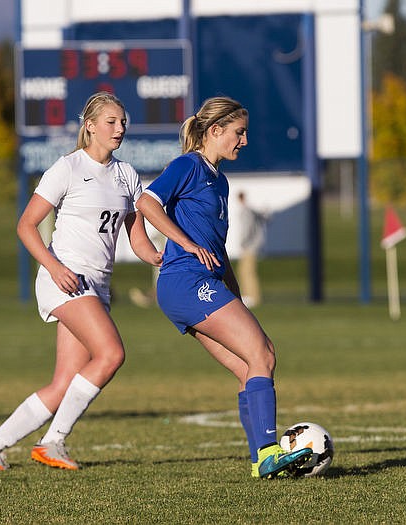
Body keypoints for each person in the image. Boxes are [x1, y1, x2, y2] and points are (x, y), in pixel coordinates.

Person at [0, 92, 162, 471]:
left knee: (62, 385)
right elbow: (25, 226)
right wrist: (54, 267)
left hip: (97, 286)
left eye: (123, 122)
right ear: (89, 126)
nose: (120, 128)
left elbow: (136, 236)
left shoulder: (127, 174)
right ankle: (53, 441)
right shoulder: (67, 168)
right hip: (66, 278)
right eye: (111, 121)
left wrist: (157, 257)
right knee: (111, 354)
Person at [135, 96, 312, 479]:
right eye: (239, 132)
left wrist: (232, 291)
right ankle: (267, 451)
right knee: (263, 352)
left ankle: (260, 462)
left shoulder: (220, 181)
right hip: (186, 282)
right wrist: (184, 243)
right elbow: (147, 202)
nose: (244, 141)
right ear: (214, 131)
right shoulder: (188, 165)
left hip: (203, 284)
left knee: (250, 366)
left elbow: (217, 249)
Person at [235, 191, 268, 308]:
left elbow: (247, 228)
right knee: (244, 271)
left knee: (248, 272)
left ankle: (253, 297)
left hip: (249, 245)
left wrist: (243, 242)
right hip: (252, 245)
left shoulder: (246, 211)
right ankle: (248, 295)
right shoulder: (250, 210)